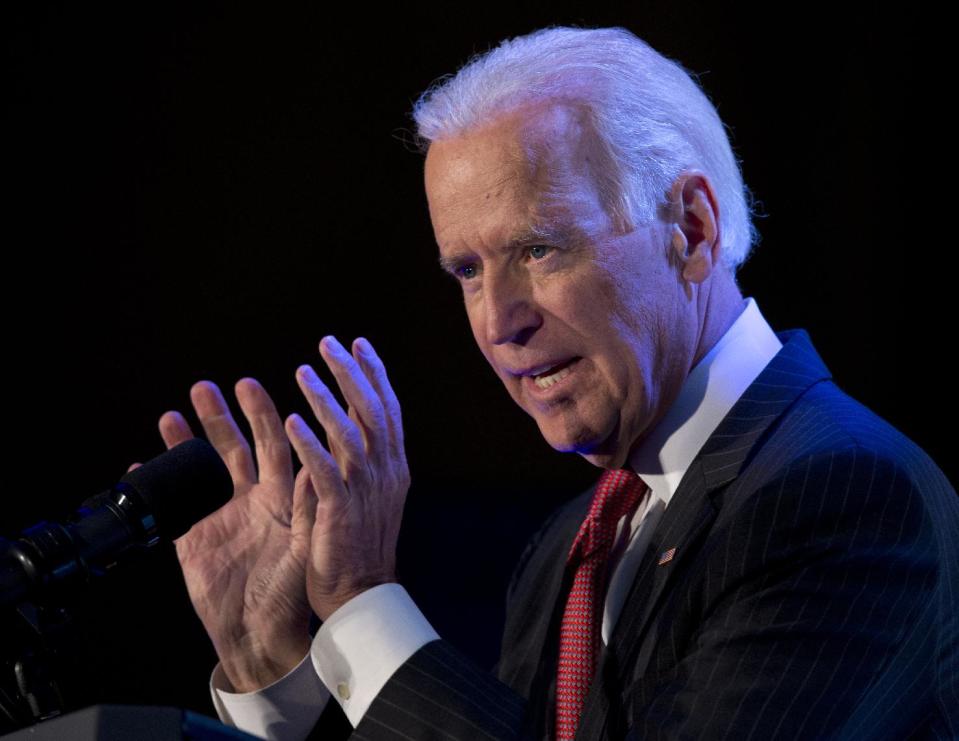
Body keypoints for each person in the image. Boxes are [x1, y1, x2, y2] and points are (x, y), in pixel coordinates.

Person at [158, 27, 959, 740]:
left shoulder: (841, 491)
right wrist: (274, 664)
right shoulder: (566, 549)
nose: (498, 320)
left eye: (539, 249)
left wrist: (365, 601)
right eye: (467, 270)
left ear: (691, 229)